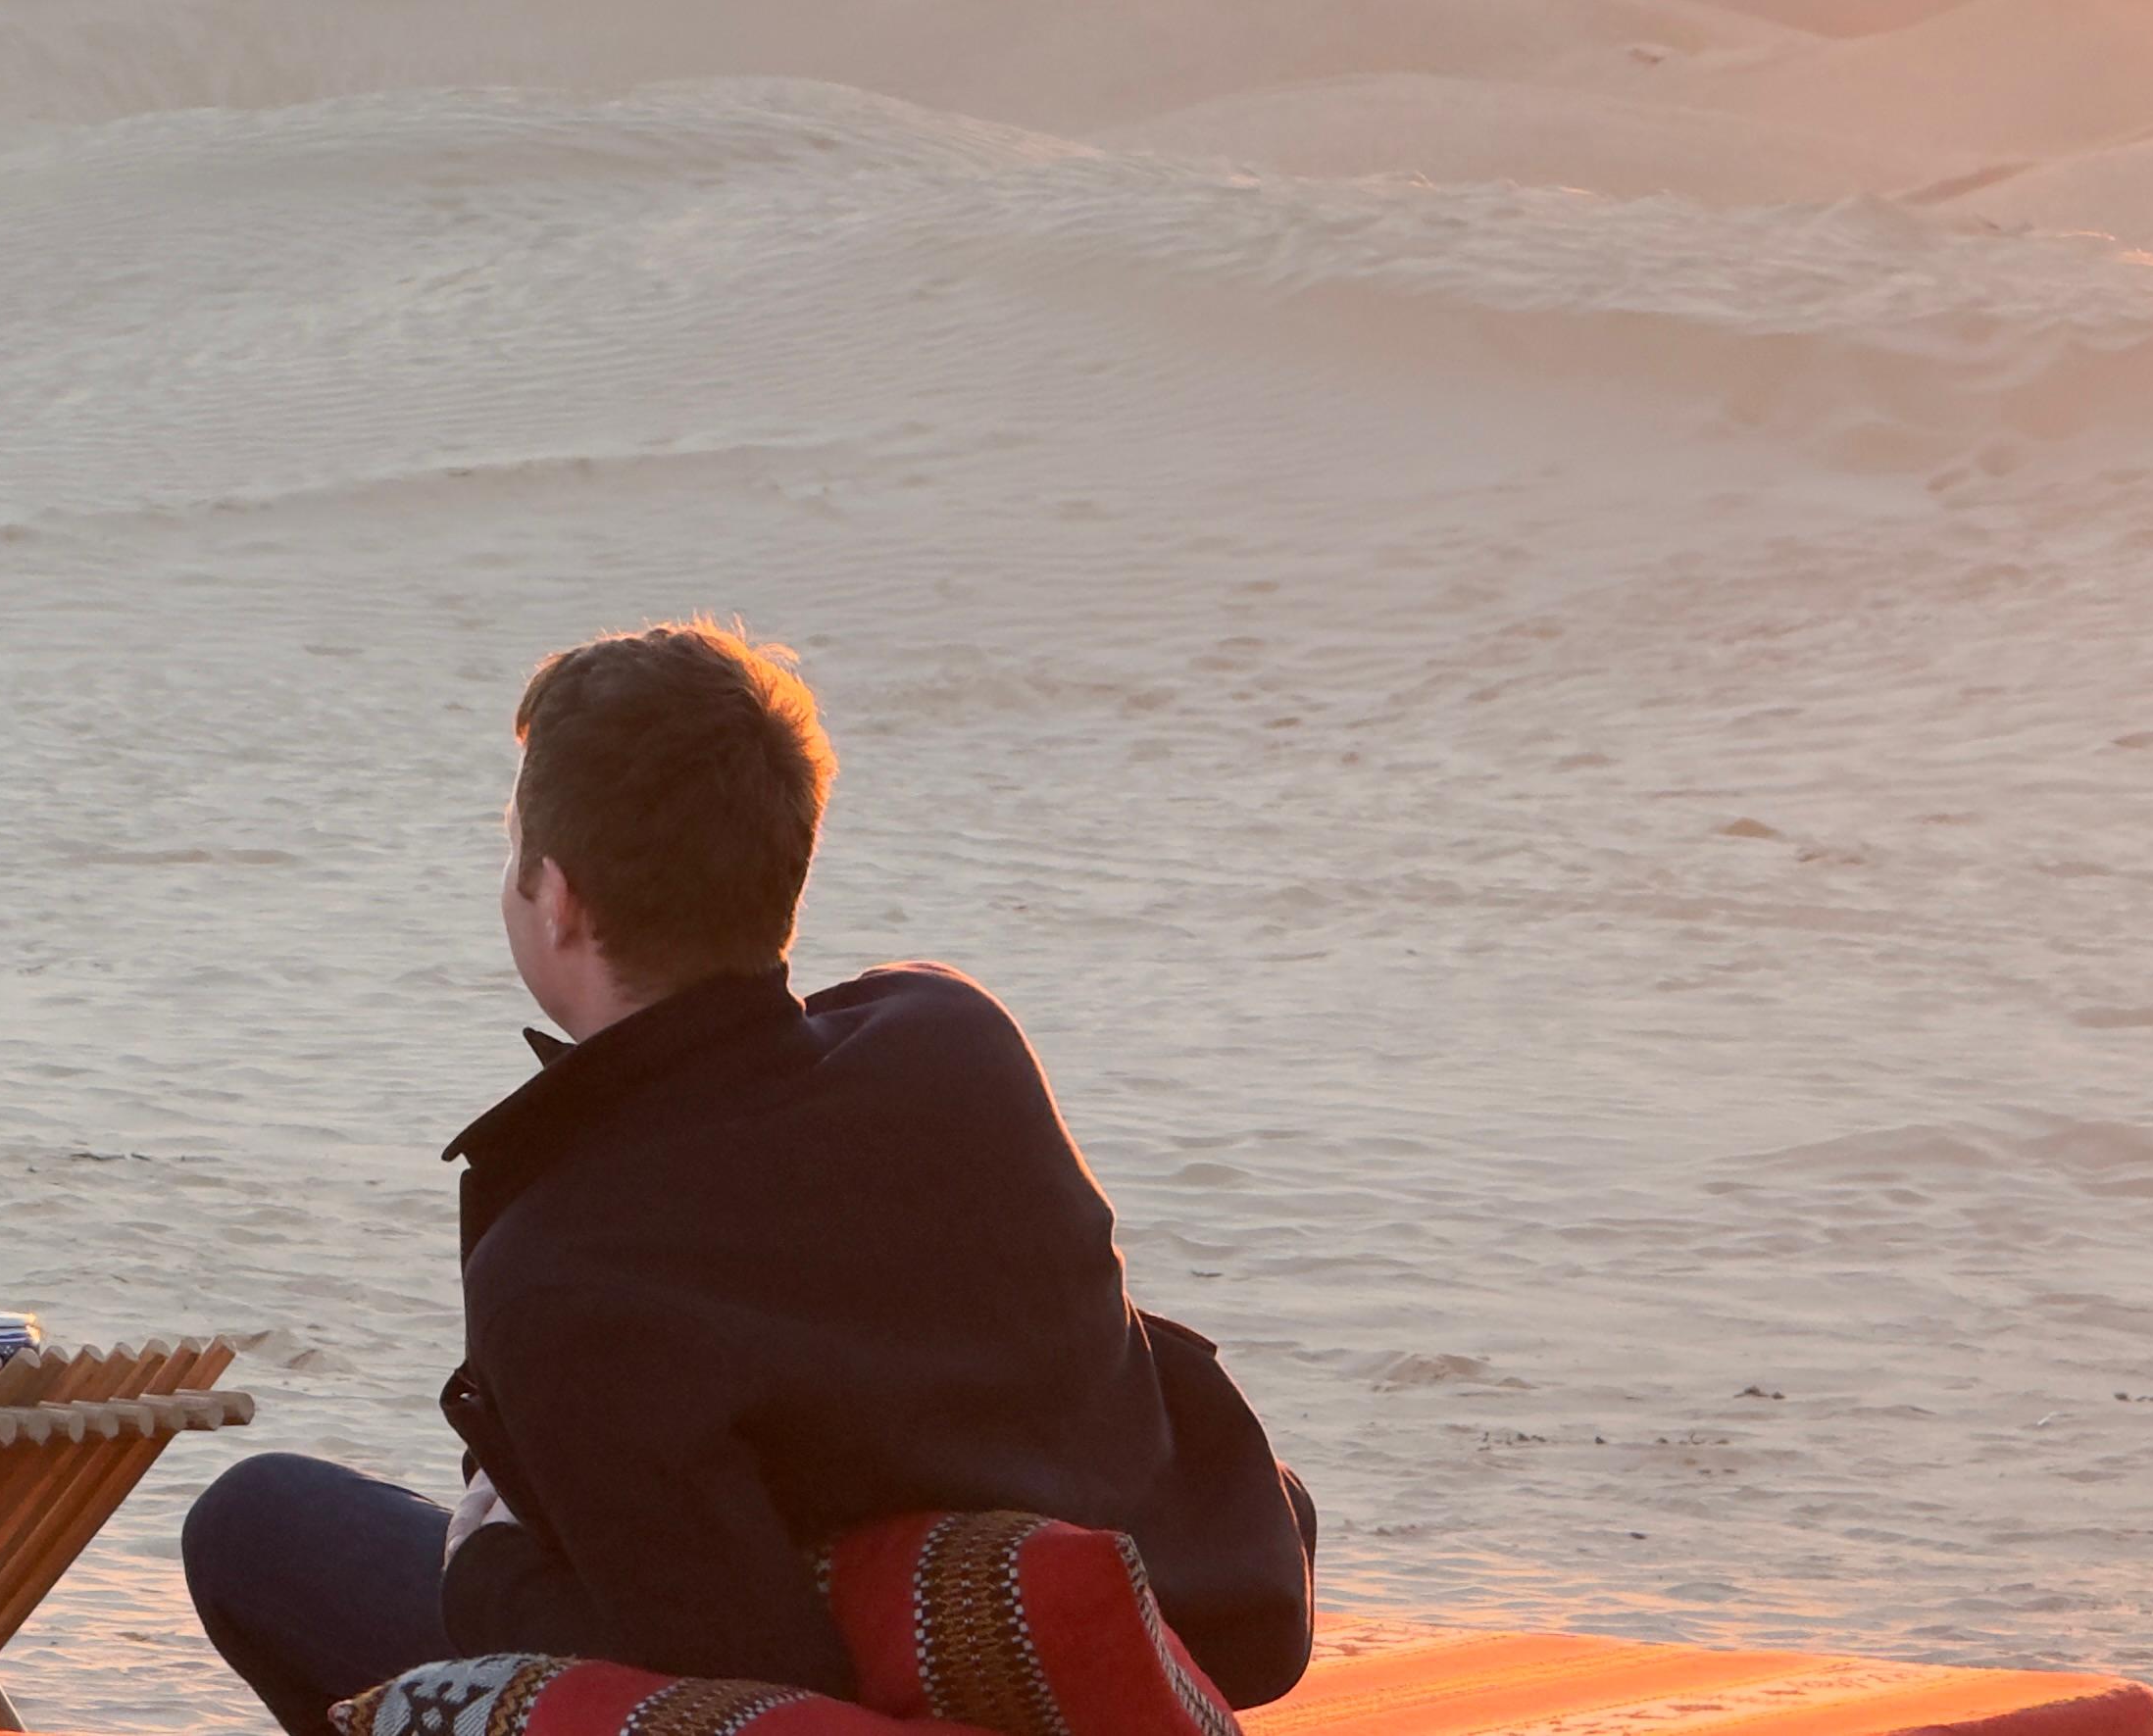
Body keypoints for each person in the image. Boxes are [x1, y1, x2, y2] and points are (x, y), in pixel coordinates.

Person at [181, 620, 1317, 1735]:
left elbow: (734, 1674)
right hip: (1099, 1605)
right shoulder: (951, 1032)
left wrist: (488, 1559)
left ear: (560, 898)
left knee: (254, 1522)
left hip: (850, 1667)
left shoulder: (566, 1267)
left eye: (511, 848)